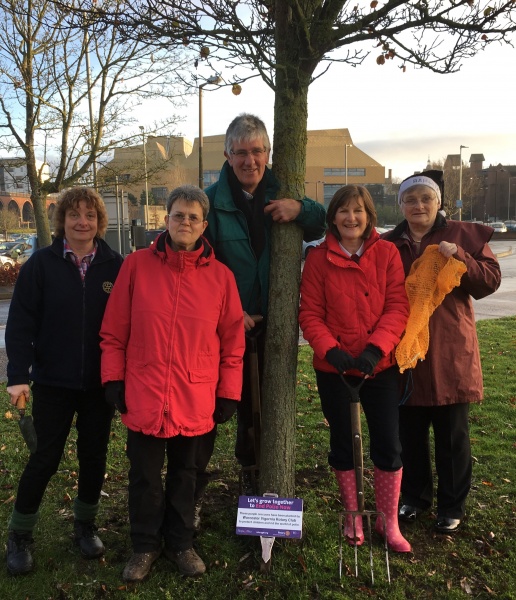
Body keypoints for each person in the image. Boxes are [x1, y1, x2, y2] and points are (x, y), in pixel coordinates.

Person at [100, 185, 245, 582]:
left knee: (188, 474)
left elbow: (233, 341)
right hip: (144, 391)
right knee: (144, 475)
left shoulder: (221, 278)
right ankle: (144, 545)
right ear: (166, 220)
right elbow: (114, 332)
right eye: (178, 215)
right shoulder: (136, 266)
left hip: (196, 394)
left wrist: (229, 392)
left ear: (203, 225)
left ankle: (181, 542)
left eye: (193, 217)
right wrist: (113, 378)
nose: (184, 223)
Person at [204, 113, 326, 492]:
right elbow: (200, 266)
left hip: (275, 323)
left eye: (257, 151)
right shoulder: (211, 204)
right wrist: (229, 313)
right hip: (228, 326)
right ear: (227, 154)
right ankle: (234, 478)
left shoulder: (282, 189)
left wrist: (300, 210)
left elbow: (323, 221)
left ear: (268, 153)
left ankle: (263, 480)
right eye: (240, 152)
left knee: (268, 405)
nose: (249, 161)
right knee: (225, 405)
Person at [5, 187, 123, 575]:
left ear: (99, 221)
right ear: (62, 221)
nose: (82, 222)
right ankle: (19, 534)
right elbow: (21, 324)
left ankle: (85, 526)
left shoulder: (115, 266)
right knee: (44, 458)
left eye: (89, 215)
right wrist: (18, 376)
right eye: (74, 215)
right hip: (53, 382)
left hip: (99, 386)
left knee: (94, 457)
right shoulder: (41, 265)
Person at [382, 170, 501, 533]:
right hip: (407, 351)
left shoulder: (462, 235)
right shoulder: (389, 243)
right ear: (401, 204)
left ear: (438, 203)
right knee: (410, 433)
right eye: (410, 199)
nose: (418, 205)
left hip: (451, 349)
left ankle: (452, 505)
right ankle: (415, 497)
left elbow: (490, 280)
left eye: (425, 199)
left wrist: (460, 257)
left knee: (452, 434)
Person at [299, 185, 411, 552]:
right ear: (333, 217)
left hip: (378, 367)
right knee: (343, 444)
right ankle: (352, 514)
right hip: (335, 370)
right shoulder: (317, 258)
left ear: (369, 217)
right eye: (344, 211)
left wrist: (375, 350)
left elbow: (397, 307)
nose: (351, 218)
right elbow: (310, 313)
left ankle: (387, 520)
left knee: (388, 444)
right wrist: (331, 352)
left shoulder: (387, 253)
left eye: (358, 211)